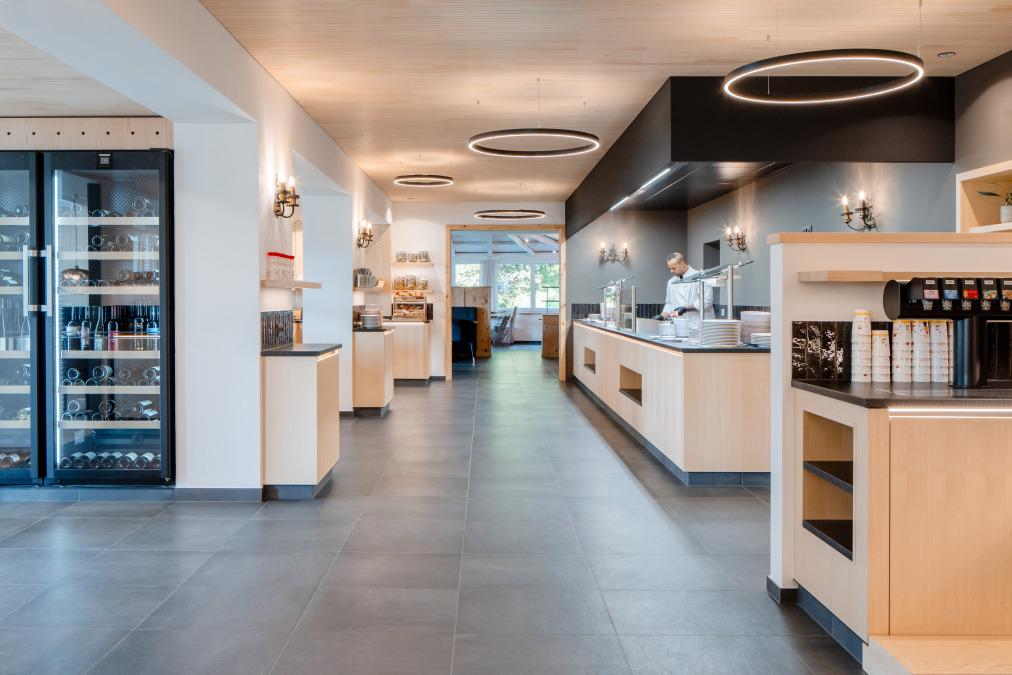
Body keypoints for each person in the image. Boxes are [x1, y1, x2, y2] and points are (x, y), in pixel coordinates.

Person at [661, 252, 714, 333]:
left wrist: (686, 308)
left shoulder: (700, 277)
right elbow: (669, 303)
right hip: (680, 327)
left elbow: (707, 301)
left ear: (682, 264)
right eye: (670, 268)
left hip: (700, 326)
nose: (671, 271)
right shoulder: (671, 282)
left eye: (674, 268)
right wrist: (662, 316)